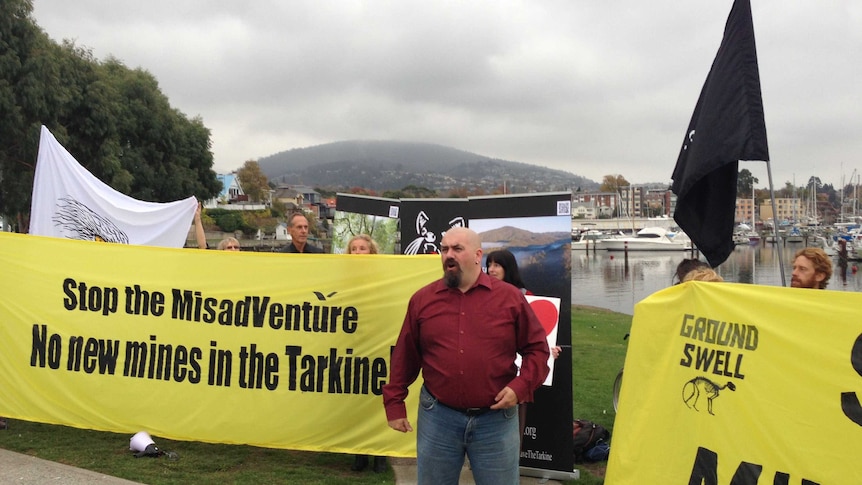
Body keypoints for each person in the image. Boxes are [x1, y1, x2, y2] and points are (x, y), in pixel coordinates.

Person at [383, 227, 550, 485]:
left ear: (477, 255)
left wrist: (520, 387)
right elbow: (406, 354)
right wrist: (394, 403)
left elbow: (537, 349)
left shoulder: (509, 299)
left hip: (495, 421)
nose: (449, 255)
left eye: (457, 249)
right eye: (444, 249)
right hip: (439, 417)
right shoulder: (422, 300)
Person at [484, 249, 561, 452]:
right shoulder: (481, 295)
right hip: (489, 373)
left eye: (497, 265)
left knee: (514, 426)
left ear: (507, 268)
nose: (491, 269)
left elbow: (536, 336)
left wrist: (547, 349)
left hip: (517, 375)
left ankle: (509, 468)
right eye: (489, 264)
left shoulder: (526, 297)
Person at [344, 233, 386, 473]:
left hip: (378, 343)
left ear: (372, 252)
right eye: (354, 249)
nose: (358, 252)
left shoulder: (383, 278)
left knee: (377, 399)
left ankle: (379, 452)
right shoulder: (342, 278)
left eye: (363, 248)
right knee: (356, 399)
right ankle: (360, 451)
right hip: (352, 344)